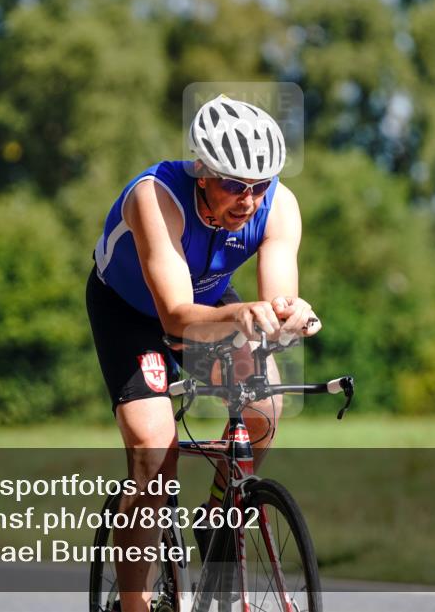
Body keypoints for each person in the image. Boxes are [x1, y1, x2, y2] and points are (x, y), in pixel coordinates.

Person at [86, 94, 321, 612]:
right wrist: (242, 316)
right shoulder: (156, 196)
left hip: (211, 306)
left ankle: (217, 511)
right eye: (234, 185)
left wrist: (291, 315)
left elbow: (277, 300)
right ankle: (132, 604)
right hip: (133, 313)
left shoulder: (279, 205)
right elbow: (173, 315)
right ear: (202, 171)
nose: (249, 200)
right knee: (154, 449)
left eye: (259, 185)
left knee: (265, 409)